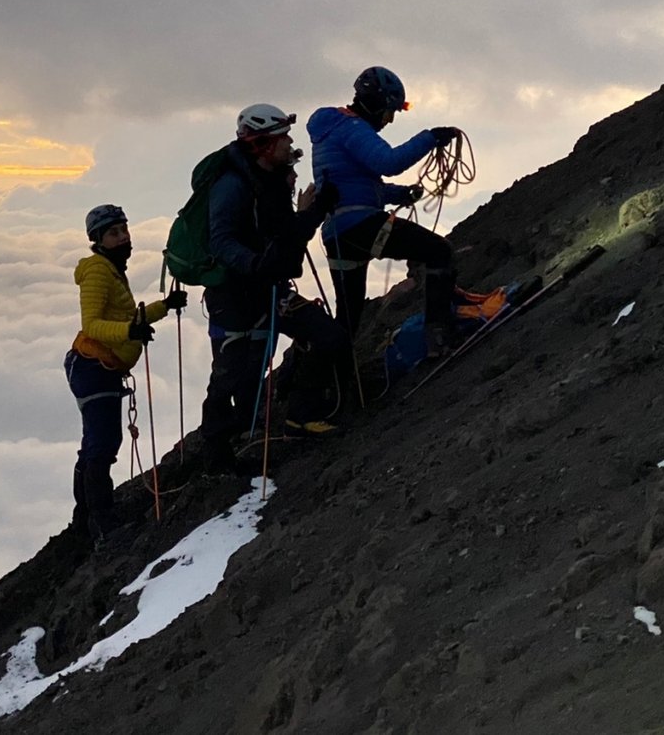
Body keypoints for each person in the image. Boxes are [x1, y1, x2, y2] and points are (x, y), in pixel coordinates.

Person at [200, 104, 348, 474]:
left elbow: (285, 237)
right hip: (234, 296)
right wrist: (253, 264)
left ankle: (300, 415)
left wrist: (313, 212)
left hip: (269, 288)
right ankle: (217, 457)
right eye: (283, 138)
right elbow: (220, 241)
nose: (289, 144)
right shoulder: (232, 186)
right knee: (233, 377)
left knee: (326, 337)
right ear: (264, 144)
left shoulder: (275, 181)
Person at [307, 66, 460, 355]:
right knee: (439, 252)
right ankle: (439, 338)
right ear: (376, 103)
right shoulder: (352, 128)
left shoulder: (335, 131)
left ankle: (329, 384)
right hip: (362, 225)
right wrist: (431, 138)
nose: (388, 120)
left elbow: (359, 185)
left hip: (339, 234)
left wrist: (401, 194)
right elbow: (388, 162)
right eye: (389, 111)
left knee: (348, 318)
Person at [66, 204, 187, 545]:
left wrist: (164, 306)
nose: (123, 236)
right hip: (94, 366)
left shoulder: (111, 269)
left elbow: (124, 318)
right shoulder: (99, 272)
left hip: (97, 367)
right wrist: (130, 333)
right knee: (102, 445)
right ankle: (103, 525)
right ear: (98, 239)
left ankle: (85, 521)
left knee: (96, 444)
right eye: (114, 232)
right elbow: (92, 325)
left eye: (124, 229)